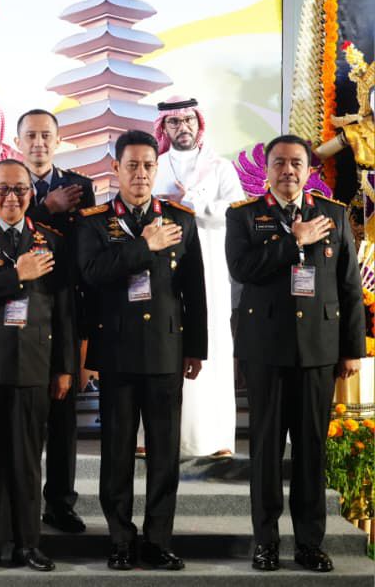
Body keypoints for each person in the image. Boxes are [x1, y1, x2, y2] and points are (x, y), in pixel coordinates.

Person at [226, 134, 364, 573]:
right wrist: (294, 240)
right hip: (265, 349)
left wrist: (351, 349)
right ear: (266, 169)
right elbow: (241, 269)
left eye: (296, 163)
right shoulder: (244, 215)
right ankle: (265, 542)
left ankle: (309, 543)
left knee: (310, 450)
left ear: (309, 170)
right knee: (265, 451)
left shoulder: (334, 214)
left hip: (319, 350)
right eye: (279, 162)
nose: (288, 170)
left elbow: (349, 285)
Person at [78, 130, 207, 572]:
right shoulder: (94, 222)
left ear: (157, 168)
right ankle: (119, 538)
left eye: (148, 165)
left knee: (164, 453)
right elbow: (92, 274)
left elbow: (194, 290)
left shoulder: (180, 219)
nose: (140, 174)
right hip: (116, 352)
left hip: (166, 351)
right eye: (131, 165)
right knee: (116, 452)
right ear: (115, 168)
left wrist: (196, 348)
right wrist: (143, 245)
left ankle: (158, 539)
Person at [0, 159, 75, 572]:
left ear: (31, 194)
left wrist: (64, 367)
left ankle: (28, 544)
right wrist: (17, 274)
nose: (11, 197)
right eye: (2, 189)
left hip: (34, 364)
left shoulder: (51, 240)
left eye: (20, 189)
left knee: (27, 458)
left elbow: (64, 310)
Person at [13, 108, 96, 534]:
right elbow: (5, 236)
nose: (39, 143)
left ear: (58, 140)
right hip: (15, 309)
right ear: (17, 141)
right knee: (20, 417)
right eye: (30, 135)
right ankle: (17, 503)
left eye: (46, 135)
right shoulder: (5, 181)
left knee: (63, 416)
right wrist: (45, 208)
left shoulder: (79, 187)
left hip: (64, 307)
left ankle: (61, 503)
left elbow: (86, 249)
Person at [152, 97, 244, 459]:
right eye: (174, 122)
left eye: (188, 120)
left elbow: (237, 211)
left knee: (214, 343)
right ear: (164, 128)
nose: (183, 127)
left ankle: (214, 437)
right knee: (163, 339)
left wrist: (193, 203)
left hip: (210, 267)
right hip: (165, 266)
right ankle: (157, 435)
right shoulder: (154, 165)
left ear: (198, 122)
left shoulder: (220, 167)